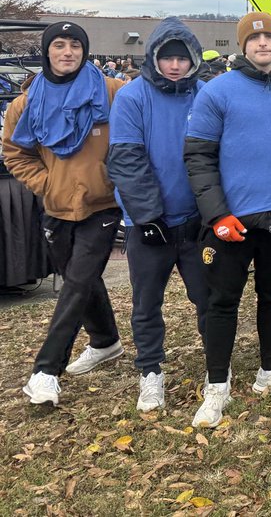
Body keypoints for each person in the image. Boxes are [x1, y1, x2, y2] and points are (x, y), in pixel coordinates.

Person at [184, 12, 271, 427]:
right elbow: (199, 156)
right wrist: (217, 214)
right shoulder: (217, 92)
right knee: (222, 301)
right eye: (254, 38)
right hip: (232, 220)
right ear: (242, 45)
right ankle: (217, 386)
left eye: (269, 38)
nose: (263, 44)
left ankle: (270, 371)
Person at [3, 22, 126, 406]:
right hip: (56, 205)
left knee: (76, 282)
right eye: (60, 45)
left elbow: (141, 126)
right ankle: (106, 341)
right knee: (79, 278)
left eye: (75, 45)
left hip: (102, 204)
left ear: (85, 52)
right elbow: (14, 153)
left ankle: (45, 371)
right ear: (47, 51)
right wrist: (46, 184)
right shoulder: (26, 103)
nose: (68, 52)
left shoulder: (111, 91)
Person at [107, 18, 211, 411]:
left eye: (182, 58)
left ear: (193, 60)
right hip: (148, 224)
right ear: (153, 58)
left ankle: (217, 366)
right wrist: (148, 217)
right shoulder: (134, 97)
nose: (174, 65)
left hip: (195, 220)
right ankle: (150, 372)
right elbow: (127, 159)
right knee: (147, 303)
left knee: (208, 297)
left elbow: (217, 154)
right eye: (167, 57)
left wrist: (211, 209)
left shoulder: (205, 94)